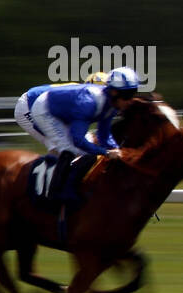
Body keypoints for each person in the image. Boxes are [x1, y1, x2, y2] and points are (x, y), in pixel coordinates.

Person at [27, 67, 141, 202]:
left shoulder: (112, 105)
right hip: (44, 109)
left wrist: (117, 150)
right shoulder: (89, 103)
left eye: (134, 93)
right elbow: (78, 140)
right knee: (70, 149)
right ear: (114, 92)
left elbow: (104, 135)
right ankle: (56, 193)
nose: (130, 100)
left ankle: (69, 185)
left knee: (84, 151)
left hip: (61, 109)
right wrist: (106, 152)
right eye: (128, 95)